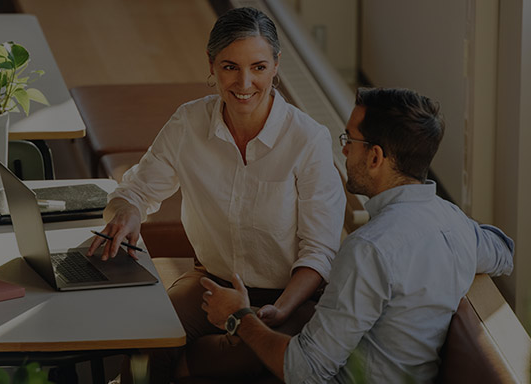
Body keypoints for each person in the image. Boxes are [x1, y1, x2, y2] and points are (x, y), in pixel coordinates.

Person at [91, 7, 345, 381]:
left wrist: (278, 311)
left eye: (258, 67)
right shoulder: (188, 123)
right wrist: (128, 211)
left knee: (226, 360)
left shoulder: (308, 140)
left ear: (276, 65)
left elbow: (319, 251)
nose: (244, 83)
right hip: (211, 283)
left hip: (288, 298)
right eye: (230, 67)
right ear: (211, 65)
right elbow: (138, 189)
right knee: (146, 341)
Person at [199, 88, 516, 383]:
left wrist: (238, 316)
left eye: (350, 139)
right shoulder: (453, 222)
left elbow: (304, 371)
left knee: (201, 358)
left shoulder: (369, 248)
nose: (345, 149)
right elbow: (503, 251)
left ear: (376, 157)